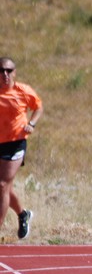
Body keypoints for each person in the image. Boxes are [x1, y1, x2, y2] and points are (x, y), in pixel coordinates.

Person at [0, 57, 43, 239]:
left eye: (9, 71)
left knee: (2, 184)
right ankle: (23, 214)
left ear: (14, 73)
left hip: (16, 143)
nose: (5, 74)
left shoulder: (23, 91)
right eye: (1, 71)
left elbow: (38, 107)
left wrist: (31, 124)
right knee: (5, 188)